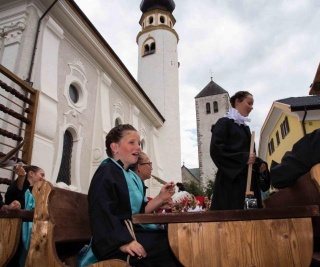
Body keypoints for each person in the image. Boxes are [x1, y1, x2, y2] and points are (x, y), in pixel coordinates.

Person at [80, 124, 182, 267]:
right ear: (115, 148)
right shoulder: (107, 171)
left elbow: (139, 212)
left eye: (139, 143)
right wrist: (123, 242)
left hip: (129, 232)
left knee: (174, 239)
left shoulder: (128, 174)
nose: (138, 147)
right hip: (113, 242)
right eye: (132, 143)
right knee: (170, 246)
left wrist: (160, 198)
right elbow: (101, 212)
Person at [210, 91, 270, 210]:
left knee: (252, 222)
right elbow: (216, 150)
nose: (252, 107)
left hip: (249, 184)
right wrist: (243, 158)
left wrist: (259, 164)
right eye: (249, 103)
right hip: (231, 183)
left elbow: (250, 156)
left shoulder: (245, 128)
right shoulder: (224, 123)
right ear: (238, 101)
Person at [5, 164, 46, 267]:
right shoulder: (17, 186)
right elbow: (16, 194)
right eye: (42, 174)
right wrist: (22, 176)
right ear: (31, 174)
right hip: (13, 232)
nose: (44, 178)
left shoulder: (33, 192)